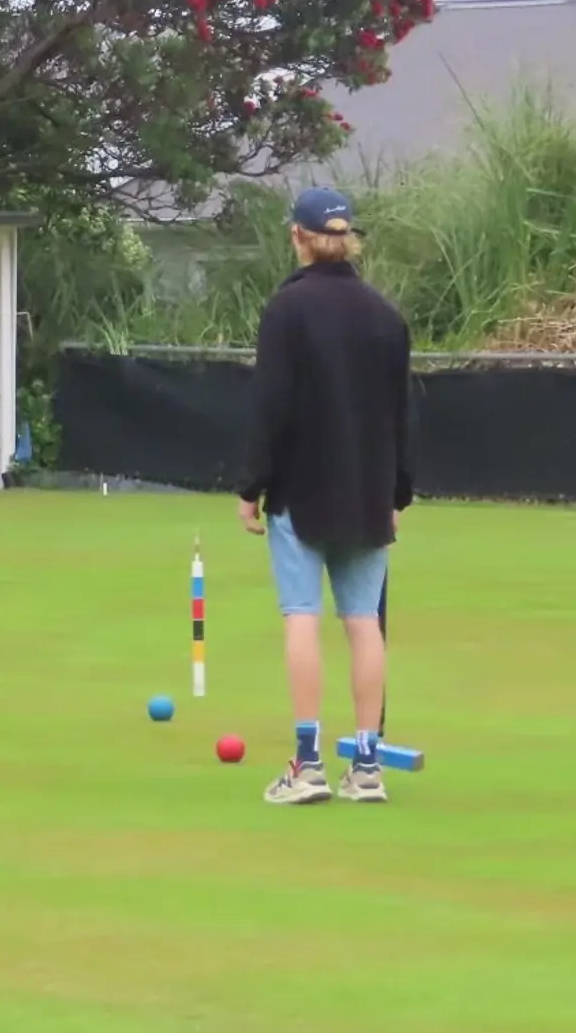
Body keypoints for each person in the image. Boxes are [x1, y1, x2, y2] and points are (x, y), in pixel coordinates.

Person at [237, 187, 414, 806]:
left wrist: (250, 487)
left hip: (302, 493)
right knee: (364, 623)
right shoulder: (385, 315)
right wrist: (400, 492)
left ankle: (307, 764)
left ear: (297, 237)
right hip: (368, 494)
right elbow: (402, 416)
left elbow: (271, 407)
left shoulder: (286, 311)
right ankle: (366, 768)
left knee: (301, 617)